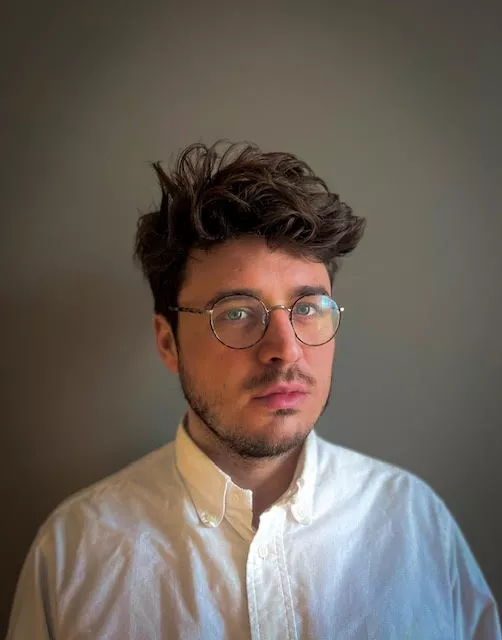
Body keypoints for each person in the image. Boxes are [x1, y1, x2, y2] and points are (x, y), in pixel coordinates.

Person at [7, 141, 501, 639]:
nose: (285, 349)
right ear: (168, 342)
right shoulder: (75, 554)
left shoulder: (415, 523)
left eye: (308, 308)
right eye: (237, 313)